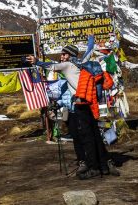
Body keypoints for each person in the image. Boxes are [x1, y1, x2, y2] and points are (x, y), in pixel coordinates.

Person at [27, 44, 119, 179]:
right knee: (95, 135)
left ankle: (93, 168)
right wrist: (91, 40)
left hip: (80, 104)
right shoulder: (82, 64)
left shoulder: (68, 65)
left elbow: (51, 67)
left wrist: (37, 62)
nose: (61, 57)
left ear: (69, 55)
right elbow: (88, 51)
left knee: (87, 137)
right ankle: (104, 166)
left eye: (64, 54)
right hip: (91, 103)